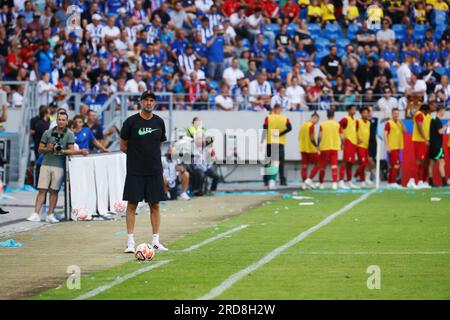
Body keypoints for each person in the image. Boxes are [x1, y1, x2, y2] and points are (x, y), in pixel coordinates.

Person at [120, 91, 168, 253]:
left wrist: (149, 157)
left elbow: (159, 144)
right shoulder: (131, 122)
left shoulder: (159, 122)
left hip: (154, 170)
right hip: (135, 171)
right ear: (141, 102)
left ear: (154, 103)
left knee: (155, 205)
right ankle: (130, 242)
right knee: (132, 204)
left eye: (152, 100)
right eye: (146, 100)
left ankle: (155, 240)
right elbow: (123, 146)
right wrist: (137, 157)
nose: (149, 103)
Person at [27, 112, 87, 224]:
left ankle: (50, 214)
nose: (61, 122)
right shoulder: (47, 132)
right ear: (57, 120)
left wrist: (61, 150)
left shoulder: (69, 134)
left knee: (54, 191)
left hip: (59, 165)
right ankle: (36, 214)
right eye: (59, 119)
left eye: (64, 120)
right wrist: (48, 148)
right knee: (42, 190)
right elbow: (40, 149)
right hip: (46, 163)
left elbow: (71, 150)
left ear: (67, 121)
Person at [263, 104, 292, 187]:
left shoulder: (268, 117)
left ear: (274, 109)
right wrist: (280, 134)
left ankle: (266, 180)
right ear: (279, 109)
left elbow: (265, 127)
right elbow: (290, 128)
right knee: (281, 162)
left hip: (270, 141)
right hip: (280, 141)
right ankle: (282, 180)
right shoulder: (284, 118)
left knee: (268, 161)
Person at [408, 104, 432, 189]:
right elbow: (419, 126)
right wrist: (425, 138)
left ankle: (421, 181)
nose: (430, 112)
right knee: (418, 161)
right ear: (425, 110)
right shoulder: (419, 114)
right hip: (419, 140)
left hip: (424, 141)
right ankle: (411, 180)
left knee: (423, 163)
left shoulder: (427, 116)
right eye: (429, 110)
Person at [317, 109, 341, 190]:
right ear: (334, 115)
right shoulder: (337, 124)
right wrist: (343, 144)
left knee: (322, 167)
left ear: (327, 115)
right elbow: (342, 137)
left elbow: (319, 136)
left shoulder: (322, 124)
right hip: (334, 147)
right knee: (334, 166)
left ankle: (321, 184)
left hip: (324, 147)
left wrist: (318, 144)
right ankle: (334, 184)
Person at [338, 105, 360, 189]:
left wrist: (357, 139)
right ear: (349, 110)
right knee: (345, 162)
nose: (354, 111)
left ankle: (349, 181)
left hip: (353, 143)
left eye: (355, 109)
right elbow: (338, 126)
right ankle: (341, 181)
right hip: (348, 142)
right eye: (353, 109)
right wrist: (341, 136)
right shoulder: (345, 119)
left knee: (350, 163)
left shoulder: (354, 120)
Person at [384, 108, 406, 188]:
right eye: (394, 113)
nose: (396, 115)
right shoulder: (389, 123)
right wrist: (387, 146)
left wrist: (402, 123)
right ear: (392, 114)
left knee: (393, 165)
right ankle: (393, 182)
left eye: (397, 113)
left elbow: (405, 131)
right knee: (395, 165)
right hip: (392, 147)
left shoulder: (400, 123)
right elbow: (385, 134)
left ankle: (390, 183)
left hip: (399, 147)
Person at [428, 106, 449, 187]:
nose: (444, 112)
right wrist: (447, 125)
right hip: (437, 145)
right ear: (440, 111)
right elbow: (440, 131)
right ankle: (444, 181)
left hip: (433, 144)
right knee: (442, 162)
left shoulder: (433, 119)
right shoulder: (437, 120)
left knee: (432, 163)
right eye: (443, 111)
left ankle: (430, 181)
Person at [299, 112, 320, 190]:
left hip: (302, 148)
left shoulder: (303, 125)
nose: (317, 122)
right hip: (310, 148)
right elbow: (311, 138)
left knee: (304, 166)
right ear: (315, 118)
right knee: (319, 164)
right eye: (317, 120)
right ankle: (309, 179)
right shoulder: (311, 126)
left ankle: (304, 184)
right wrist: (316, 146)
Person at [354, 107, 372, 187]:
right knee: (364, 164)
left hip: (366, 146)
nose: (366, 114)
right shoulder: (357, 121)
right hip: (360, 146)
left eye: (367, 112)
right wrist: (357, 139)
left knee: (364, 164)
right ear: (361, 114)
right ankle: (354, 177)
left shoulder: (368, 123)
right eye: (364, 112)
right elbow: (353, 131)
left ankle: (362, 181)